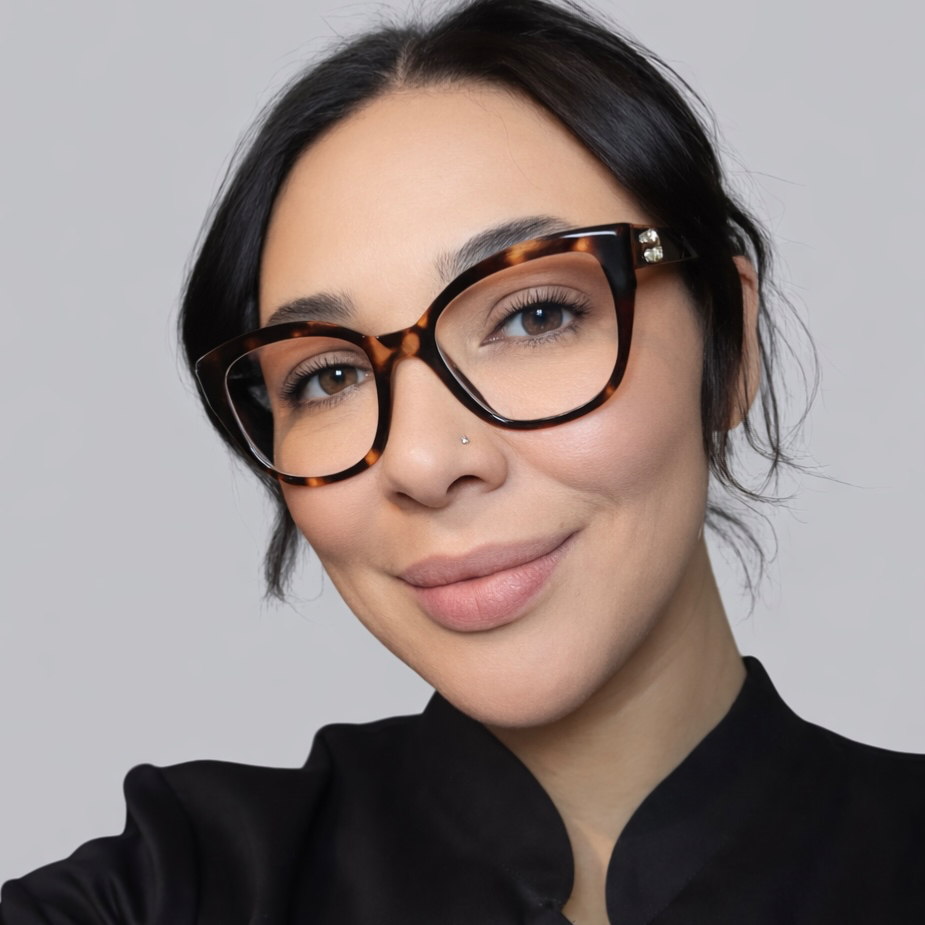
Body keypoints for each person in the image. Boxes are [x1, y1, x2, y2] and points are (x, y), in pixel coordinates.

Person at [2, 0, 922, 922]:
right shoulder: (173, 891)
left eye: (535, 315)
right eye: (326, 376)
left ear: (731, 344)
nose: (420, 459)